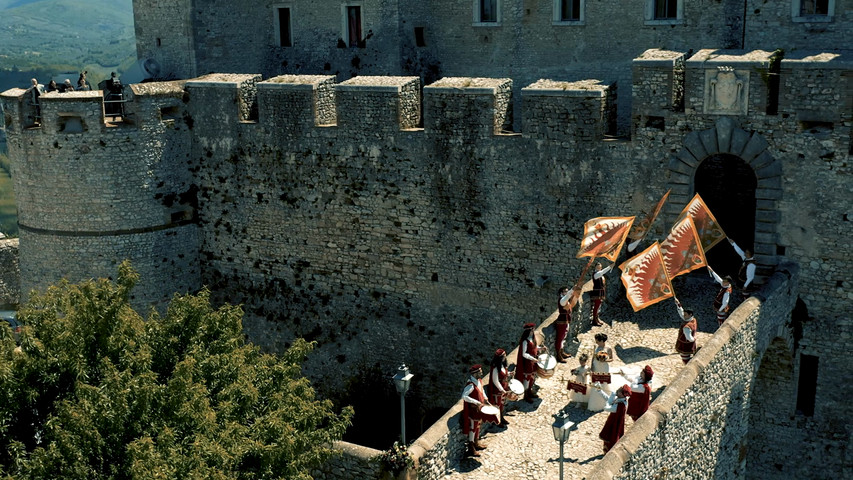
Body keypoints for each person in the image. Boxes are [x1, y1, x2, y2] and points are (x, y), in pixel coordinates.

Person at [461, 364, 488, 457]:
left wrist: (485, 398)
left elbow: (482, 390)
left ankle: (476, 443)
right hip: (473, 410)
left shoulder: (479, 381)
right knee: (472, 428)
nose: (481, 372)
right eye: (479, 371)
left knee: (478, 426)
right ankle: (471, 447)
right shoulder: (470, 385)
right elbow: (464, 396)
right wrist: (476, 402)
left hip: (479, 409)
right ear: (475, 373)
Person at [597, 384, 631, 453]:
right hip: (613, 420)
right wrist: (600, 391)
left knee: (611, 437)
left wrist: (612, 396)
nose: (617, 391)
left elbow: (607, 407)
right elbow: (608, 399)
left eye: (619, 391)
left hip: (614, 423)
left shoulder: (621, 405)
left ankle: (608, 453)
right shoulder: (621, 399)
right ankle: (606, 450)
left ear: (622, 394)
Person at [588, 333, 614, 411]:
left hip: (604, 367)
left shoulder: (608, 349)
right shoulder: (596, 347)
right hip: (596, 366)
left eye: (597, 341)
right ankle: (595, 397)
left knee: (603, 382)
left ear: (602, 341)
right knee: (595, 381)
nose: (596, 343)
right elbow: (593, 357)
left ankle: (603, 398)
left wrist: (605, 360)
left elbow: (612, 359)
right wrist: (592, 366)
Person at [514, 322, 539, 403]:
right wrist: (532, 358)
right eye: (533, 329)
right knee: (527, 379)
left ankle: (530, 392)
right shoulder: (525, 341)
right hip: (528, 363)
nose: (534, 331)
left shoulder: (532, 338)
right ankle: (526, 395)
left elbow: (534, 348)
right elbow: (524, 353)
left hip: (533, 362)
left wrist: (540, 348)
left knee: (532, 378)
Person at [555, 285, 580, 362]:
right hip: (562, 321)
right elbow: (568, 296)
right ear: (562, 292)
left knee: (563, 338)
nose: (567, 292)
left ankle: (562, 353)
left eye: (567, 291)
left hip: (565, 321)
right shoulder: (562, 300)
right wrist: (572, 290)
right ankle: (559, 355)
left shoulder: (565, 300)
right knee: (560, 339)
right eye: (565, 291)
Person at [486, 349, 510, 426]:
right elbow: (495, 381)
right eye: (504, 356)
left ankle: (501, 418)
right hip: (498, 390)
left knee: (502, 404)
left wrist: (509, 374)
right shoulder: (495, 368)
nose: (505, 357)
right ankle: (497, 421)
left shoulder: (502, 365)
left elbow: (503, 374)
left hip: (503, 387)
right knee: (497, 406)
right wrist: (502, 390)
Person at [674, 298, 697, 364]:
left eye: (686, 315)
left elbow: (689, 338)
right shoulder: (693, 320)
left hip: (684, 346)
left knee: (685, 360)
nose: (684, 316)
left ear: (690, 315)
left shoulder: (686, 327)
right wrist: (678, 304)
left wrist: (693, 339)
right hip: (689, 345)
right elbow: (681, 313)